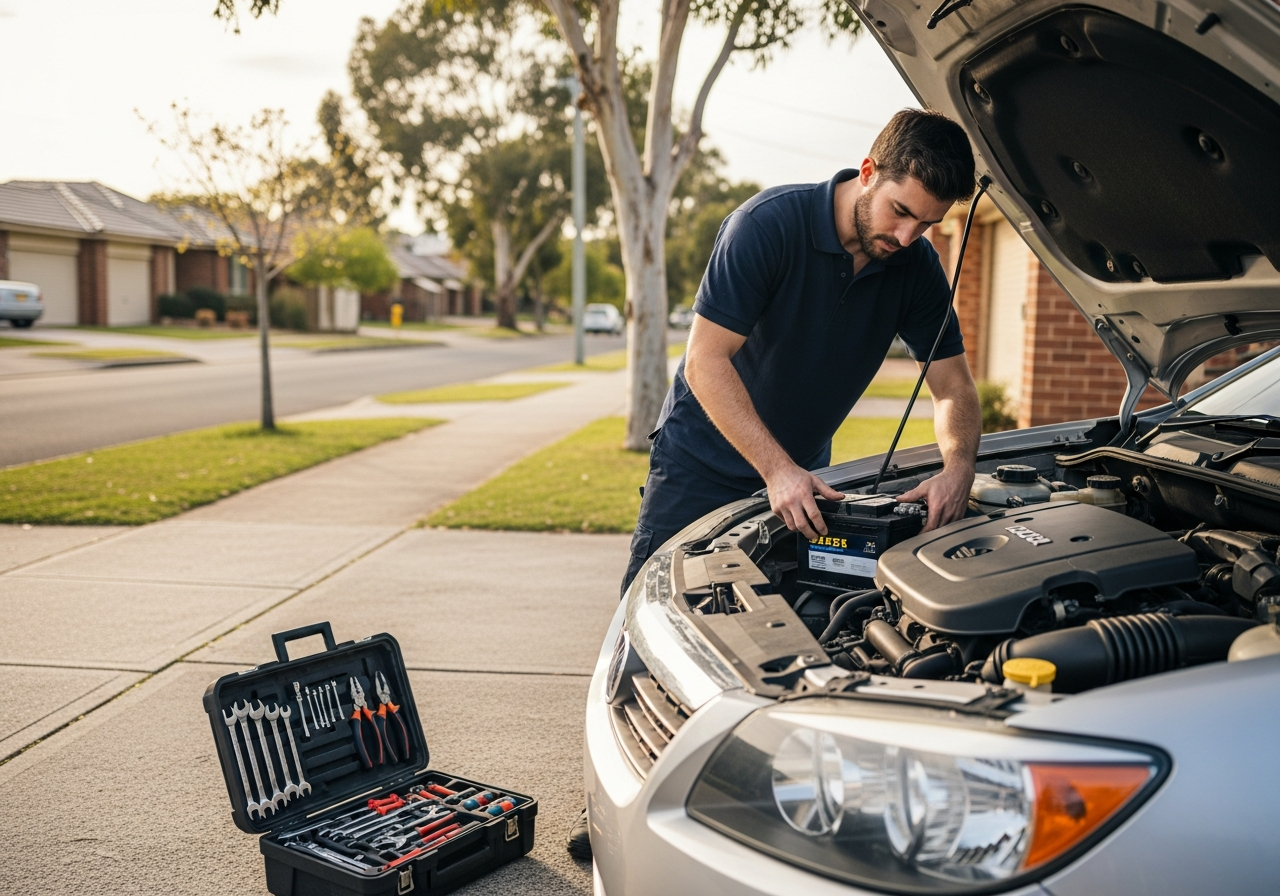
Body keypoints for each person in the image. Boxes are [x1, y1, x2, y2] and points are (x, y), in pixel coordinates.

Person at [566, 108, 982, 860]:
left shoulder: (912, 267)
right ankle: (608, 811)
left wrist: (957, 467)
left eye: (928, 224)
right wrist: (778, 468)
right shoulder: (768, 225)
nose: (909, 236)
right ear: (867, 171)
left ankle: (731, 813)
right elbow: (706, 362)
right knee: (649, 632)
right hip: (703, 461)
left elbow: (951, 385)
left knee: (776, 644)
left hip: (801, 477)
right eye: (901, 213)